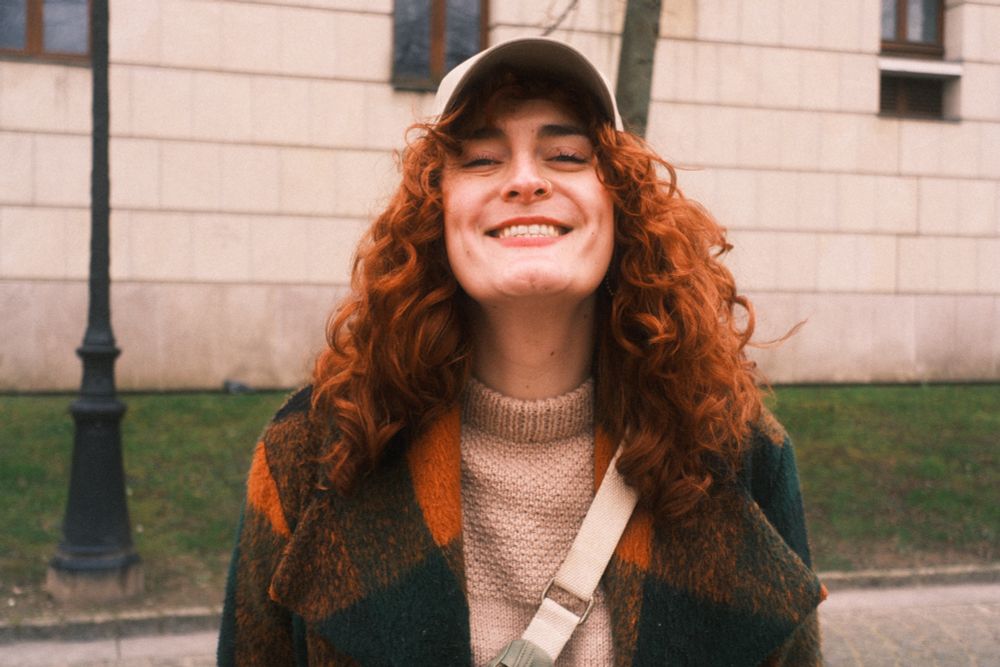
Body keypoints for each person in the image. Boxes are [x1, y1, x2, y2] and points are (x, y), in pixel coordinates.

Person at [217, 37, 825, 666]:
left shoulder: (736, 451)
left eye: (566, 155)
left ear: (621, 204)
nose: (527, 181)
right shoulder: (313, 454)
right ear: (434, 211)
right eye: (482, 159)